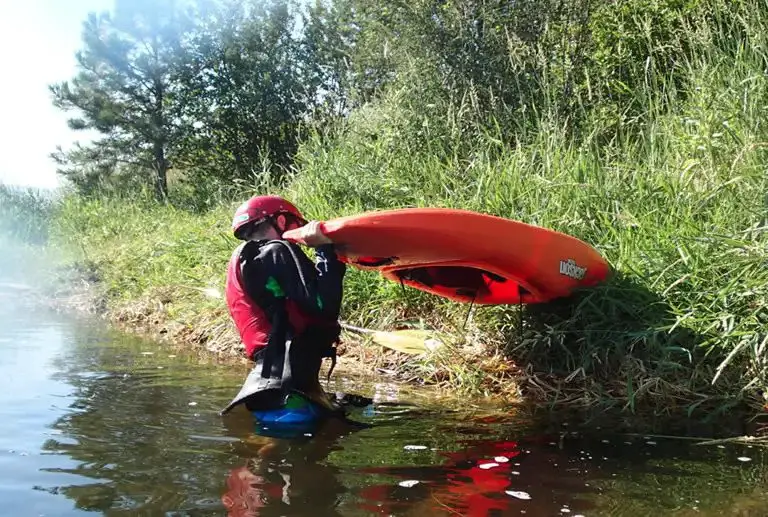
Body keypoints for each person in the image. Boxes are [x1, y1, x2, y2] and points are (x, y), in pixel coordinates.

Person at [219, 194, 348, 423]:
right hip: (292, 388)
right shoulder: (276, 250)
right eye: (295, 225)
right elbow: (325, 305)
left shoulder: (244, 258)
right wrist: (324, 250)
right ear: (279, 222)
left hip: (266, 386)